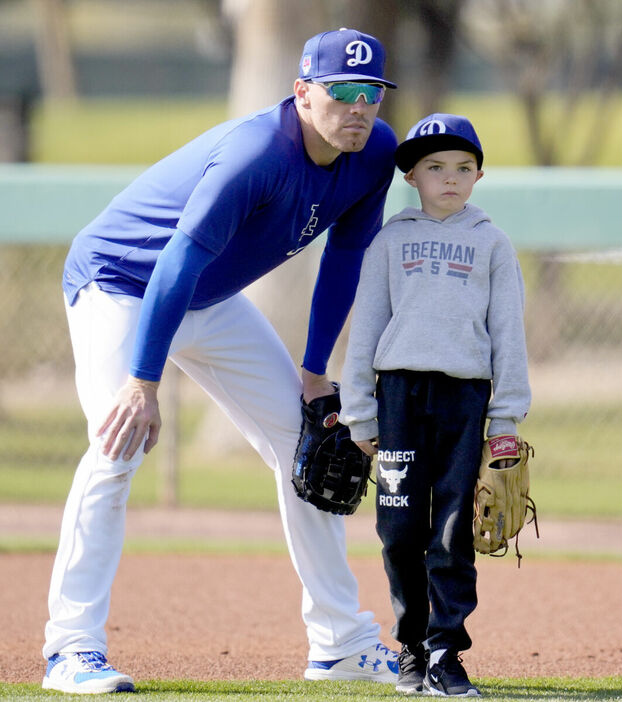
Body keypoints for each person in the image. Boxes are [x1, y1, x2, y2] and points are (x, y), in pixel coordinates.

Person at [42, 28, 402, 695]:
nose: (358, 108)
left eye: (371, 94)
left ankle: (342, 642)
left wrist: (315, 371)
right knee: (116, 446)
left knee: (310, 447)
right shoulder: (256, 154)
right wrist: (143, 382)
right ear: (302, 93)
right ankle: (70, 649)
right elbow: (175, 261)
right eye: (343, 92)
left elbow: (346, 258)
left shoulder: (376, 152)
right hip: (122, 283)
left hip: (210, 295)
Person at [339, 113, 531, 697]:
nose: (450, 178)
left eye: (463, 168)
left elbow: (508, 334)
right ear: (412, 177)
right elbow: (366, 327)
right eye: (435, 168)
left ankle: (446, 650)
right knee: (398, 528)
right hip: (397, 396)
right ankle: (410, 649)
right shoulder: (391, 240)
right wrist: (358, 411)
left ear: (478, 175)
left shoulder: (492, 242)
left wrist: (506, 419)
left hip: (464, 398)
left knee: (451, 529)